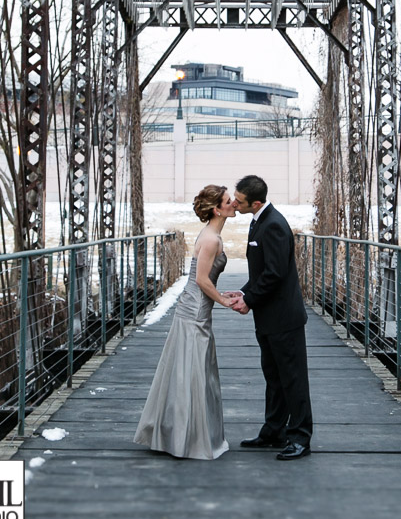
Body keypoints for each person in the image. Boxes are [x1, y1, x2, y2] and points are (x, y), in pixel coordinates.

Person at [133, 184, 237, 459]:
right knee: (193, 370)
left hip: (197, 306)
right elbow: (202, 280)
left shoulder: (212, 235)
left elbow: (204, 278)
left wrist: (218, 294)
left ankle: (181, 433)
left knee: (191, 369)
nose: (234, 203)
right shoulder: (212, 239)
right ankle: (186, 438)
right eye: (228, 201)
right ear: (217, 209)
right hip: (196, 309)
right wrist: (223, 301)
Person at [231, 174, 313, 460]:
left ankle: (300, 437)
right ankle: (274, 431)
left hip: (283, 318)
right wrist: (243, 293)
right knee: (274, 376)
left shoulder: (274, 225)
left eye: (239, 201)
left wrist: (249, 300)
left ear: (255, 202)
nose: (234, 203)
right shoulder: (260, 221)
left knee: (293, 379)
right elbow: (262, 272)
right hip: (269, 317)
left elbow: (275, 273)